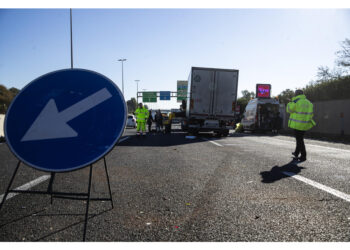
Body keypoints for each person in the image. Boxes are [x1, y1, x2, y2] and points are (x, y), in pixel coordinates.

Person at [286, 89, 316, 162]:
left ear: (296, 94)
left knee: (299, 140)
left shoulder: (296, 101)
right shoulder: (309, 102)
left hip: (297, 124)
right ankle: (296, 153)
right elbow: (311, 114)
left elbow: (289, 110)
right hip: (305, 124)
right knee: (299, 139)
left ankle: (303, 156)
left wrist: (290, 102)